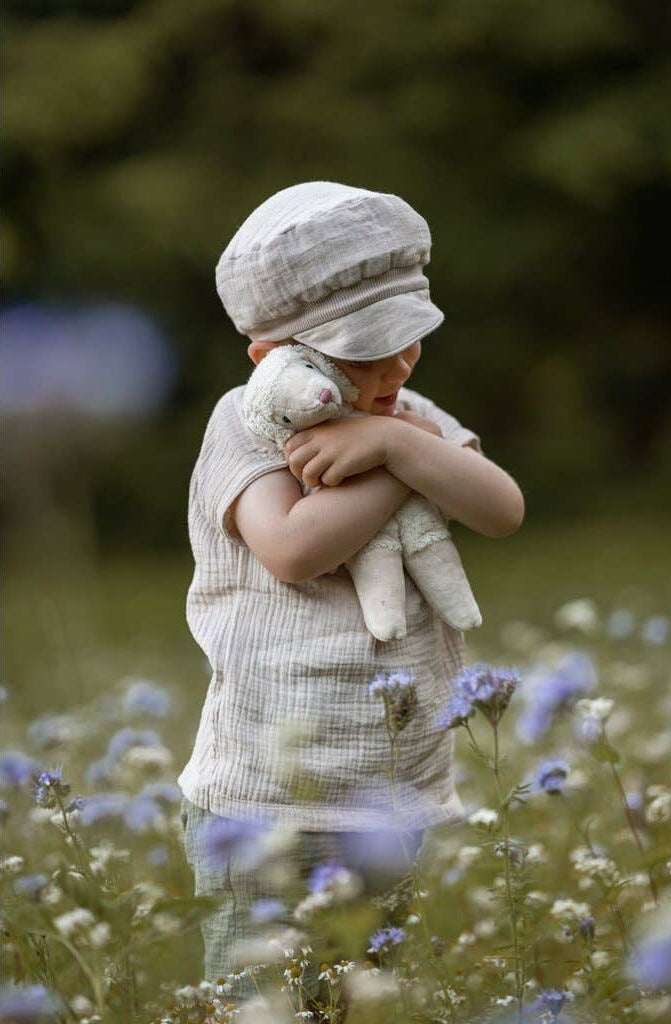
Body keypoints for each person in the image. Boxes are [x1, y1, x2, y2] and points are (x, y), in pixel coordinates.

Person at [177, 181, 525, 1014]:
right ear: (274, 357)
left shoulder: (408, 418)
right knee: (265, 1001)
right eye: (365, 352)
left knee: (366, 999)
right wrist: (403, 467)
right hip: (267, 799)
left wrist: (394, 439)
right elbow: (293, 549)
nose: (395, 368)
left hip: (394, 791)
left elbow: (502, 509)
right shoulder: (247, 426)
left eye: (407, 342)